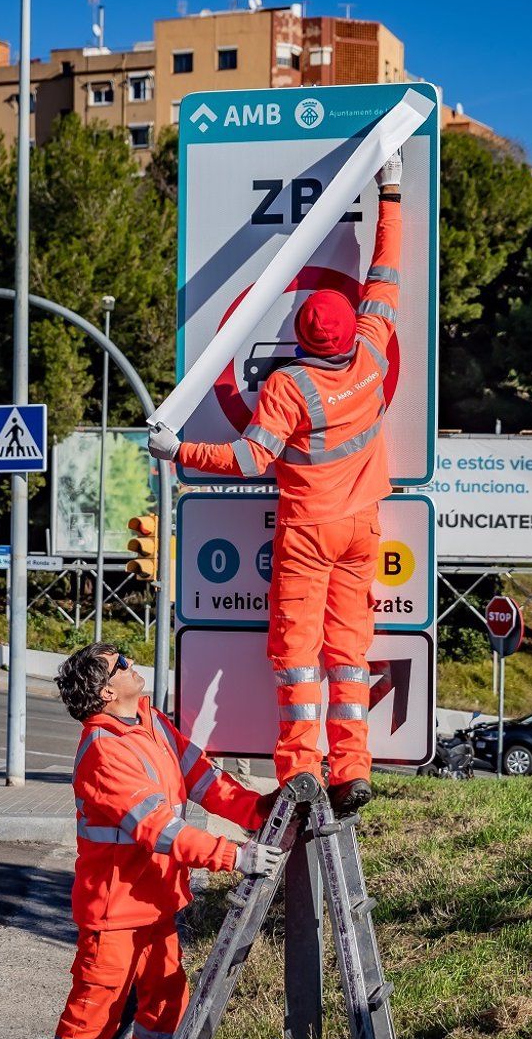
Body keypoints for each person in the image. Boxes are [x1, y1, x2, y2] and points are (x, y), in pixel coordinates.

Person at [149, 151, 407, 816]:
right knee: (348, 657)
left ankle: (303, 770)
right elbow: (385, 272)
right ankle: (354, 769)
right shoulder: (376, 348)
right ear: (349, 328)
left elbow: (247, 460)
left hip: (309, 531)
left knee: (295, 656)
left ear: (298, 335)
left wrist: (178, 450)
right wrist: (393, 190)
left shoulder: (290, 386)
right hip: (361, 528)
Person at [44, 643, 284, 1039]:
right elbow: (159, 829)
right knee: (90, 1026)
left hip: (154, 908)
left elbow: (204, 780)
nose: (134, 665)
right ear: (108, 690)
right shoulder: (103, 750)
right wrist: (234, 856)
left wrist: (259, 811)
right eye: (123, 663)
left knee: (166, 1007)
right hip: (113, 915)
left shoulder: (153, 724)